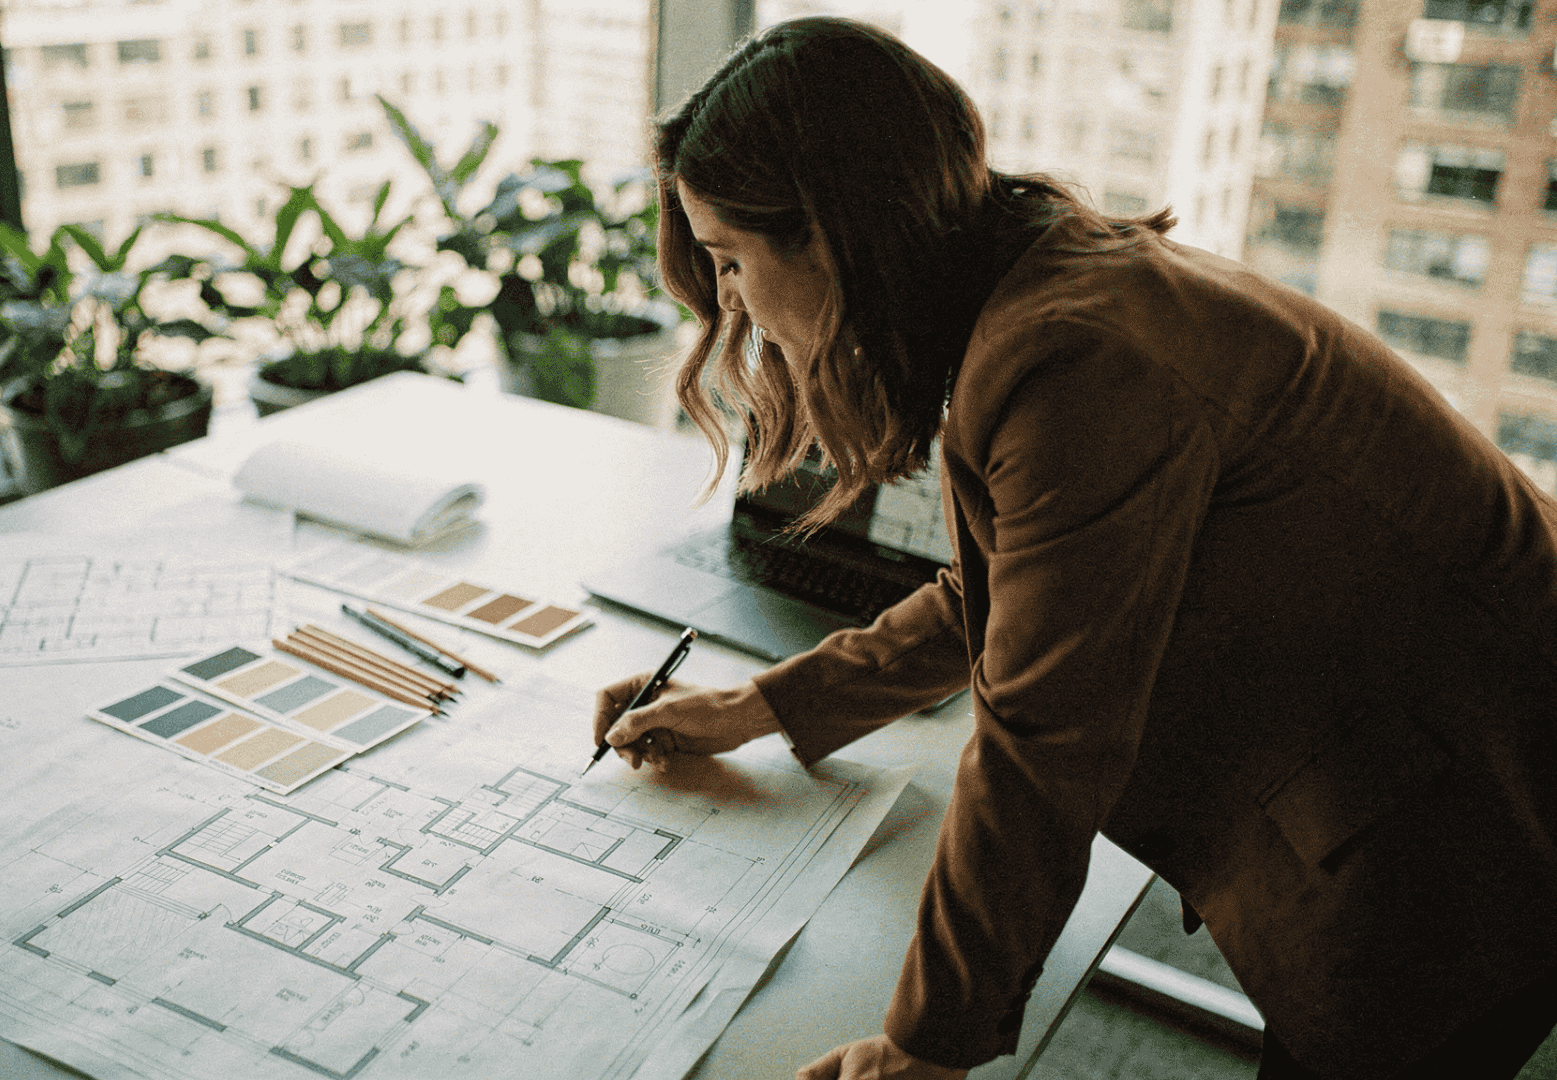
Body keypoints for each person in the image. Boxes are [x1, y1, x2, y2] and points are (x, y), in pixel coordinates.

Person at [591, 16, 1557, 1080]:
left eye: (731, 259)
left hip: (1465, 819)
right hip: (1400, 763)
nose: (730, 302)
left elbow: (1042, 747)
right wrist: (764, 706)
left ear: (834, 233)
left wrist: (926, 1048)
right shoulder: (1039, 281)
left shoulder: (1074, 356)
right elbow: (998, 596)